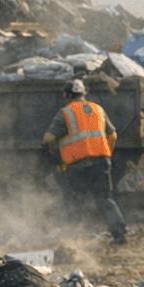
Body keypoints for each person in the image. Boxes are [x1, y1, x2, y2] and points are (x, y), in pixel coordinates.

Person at [41, 79, 127, 244]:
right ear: (83, 94)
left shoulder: (65, 113)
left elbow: (48, 138)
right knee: (105, 199)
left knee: (71, 202)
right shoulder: (98, 109)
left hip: (76, 167)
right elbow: (113, 135)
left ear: (67, 95)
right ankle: (119, 235)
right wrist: (106, 153)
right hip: (101, 163)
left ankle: (69, 239)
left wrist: (57, 158)